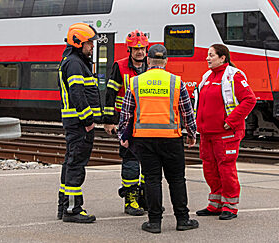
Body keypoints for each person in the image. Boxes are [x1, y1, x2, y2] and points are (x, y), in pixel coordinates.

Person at [118, 44, 199, 234]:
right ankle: (183, 219)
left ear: (148, 60)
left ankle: (154, 222)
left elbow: (126, 113)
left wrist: (123, 135)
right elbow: (187, 112)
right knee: (177, 180)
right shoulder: (176, 82)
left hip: (144, 139)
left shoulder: (136, 82)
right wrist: (191, 134)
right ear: (166, 61)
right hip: (171, 139)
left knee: (152, 180)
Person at [195, 43, 256, 220]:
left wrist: (231, 121)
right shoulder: (207, 76)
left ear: (222, 58)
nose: (207, 58)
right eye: (208, 55)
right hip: (207, 133)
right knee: (210, 169)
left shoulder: (234, 76)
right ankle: (215, 204)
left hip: (225, 133)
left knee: (226, 169)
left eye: (211, 55)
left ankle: (230, 206)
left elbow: (249, 100)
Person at [56, 22, 102, 223]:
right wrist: (88, 120)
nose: (92, 46)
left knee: (70, 163)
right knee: (76, 165)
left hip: (74, 122)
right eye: (89, 43)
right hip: (79, 123)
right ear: (78, 43)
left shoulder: (73, 61)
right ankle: (73, 209)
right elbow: (77, 93)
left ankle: (64, 205)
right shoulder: (75, 64)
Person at [103, 29, 149, 216]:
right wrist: (108, 121)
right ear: (129, 49)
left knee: (149, 161)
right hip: (127, 121)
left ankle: (146, 199)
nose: (139, 52)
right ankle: (131, 200)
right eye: (136, 49)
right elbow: (110, 94)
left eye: (142, 48)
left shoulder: (151, 66)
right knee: (131, 161)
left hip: (147, 121)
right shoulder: (120, 66)